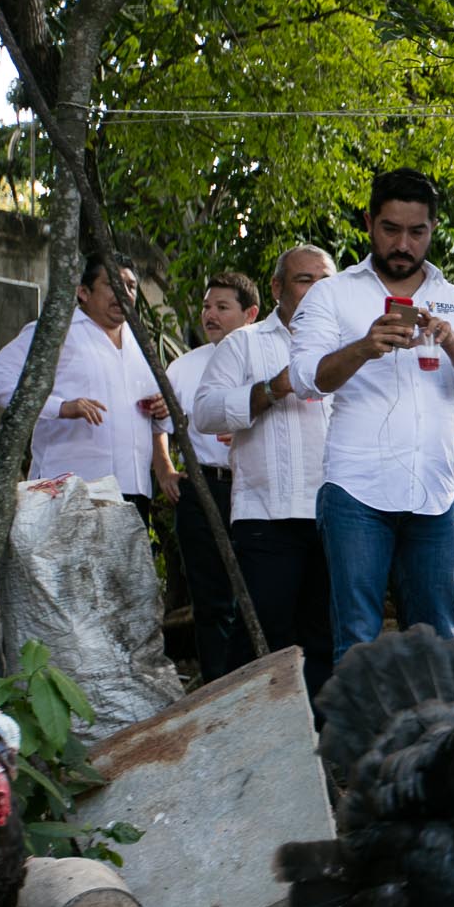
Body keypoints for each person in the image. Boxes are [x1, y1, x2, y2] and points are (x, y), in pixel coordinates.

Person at [288, 167, 454, 662]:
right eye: (390, 229)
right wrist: (363, 347)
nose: (403, 244)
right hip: (356, 490)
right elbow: (304, 378)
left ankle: (436, 740)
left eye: (417, 231)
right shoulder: (333, 293)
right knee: (357, 638)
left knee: (439, 639)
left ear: (433, 229)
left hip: (433, 492)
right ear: (368, 223)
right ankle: (361, 742)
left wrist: (452, 340)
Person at [195, 245, 338, 704]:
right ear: (277, 288)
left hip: (337, 514)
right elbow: (206, 412)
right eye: (304, 279)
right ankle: (246, 738)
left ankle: (314, 750)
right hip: (268, 515)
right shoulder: (245, 343)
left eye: (325, 280)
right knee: (262, 638)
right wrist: (273, 389)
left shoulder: (347, 348)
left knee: (324, 639)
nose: (317, 289)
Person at [0, 256, 168, 521]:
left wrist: (161, 409)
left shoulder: (141, 345)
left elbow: (155, 417)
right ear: (83, 292)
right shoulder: (56, 332)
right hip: (72, 489)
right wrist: (60, 407)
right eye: (112, 284)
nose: (124, 293)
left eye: (130, 286)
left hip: (133, 490)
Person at [154, 272, 260, 683]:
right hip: (201, 488)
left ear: (249, 313)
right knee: (211, 599)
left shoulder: (266, 360)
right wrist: (164, 467)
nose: (210, 315)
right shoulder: (183, 366)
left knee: (256, 592)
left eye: (222, 307)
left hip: (254, 486)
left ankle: (254, 682)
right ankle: (217, 685)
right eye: (206, 306)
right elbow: (159, 422)